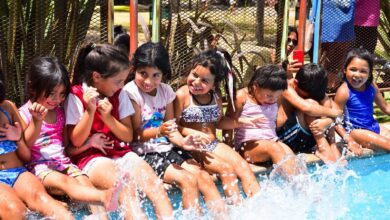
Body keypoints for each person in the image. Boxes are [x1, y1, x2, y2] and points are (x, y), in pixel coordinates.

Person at [65, 42, 173, 219]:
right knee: (125, 187)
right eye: (118, 81)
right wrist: (90, 111)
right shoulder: (76, 95)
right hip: (92, 158)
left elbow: (128, 135)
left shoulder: (119, 94)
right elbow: (76, 141)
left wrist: (108, 118)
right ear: (97, 77)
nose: (122, 85)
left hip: (121, 153)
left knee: (155, 187)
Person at [124, 42, 226, 214]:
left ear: (163, 74)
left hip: (166, 148)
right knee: (187, 180)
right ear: (133, 69)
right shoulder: (131, 93)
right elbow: (135, 136)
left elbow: (171, 128)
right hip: (144, 154)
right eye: (143, 74)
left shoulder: (165, 91)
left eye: (156, 75)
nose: (149, 81)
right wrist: (159, 131)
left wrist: (183, 142)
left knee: (203, 177)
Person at [19, 56, 121, 217]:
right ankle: (104, 195)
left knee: (86, 184)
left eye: (61, 94)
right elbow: (24, 150)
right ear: (33, 88)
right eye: (52, 94)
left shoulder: (59, 113)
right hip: (39, 168)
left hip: (63, 164)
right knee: (68, 183)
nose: (57, 99)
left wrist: (87, 144)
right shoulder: (24, 114)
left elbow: (66, 149)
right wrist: (36, 121)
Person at [175, 49, 260, 204]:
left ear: (214, 85)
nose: (196, 82)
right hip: (192, 146)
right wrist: (190, 132)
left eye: (205, 81)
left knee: (242, 165)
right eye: (194, 75)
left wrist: (239, 122)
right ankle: (235, 210)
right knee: (225, 169)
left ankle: (257, 208)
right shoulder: (182, 95)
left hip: (213, 144)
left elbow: (219, 122)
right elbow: (173, 126)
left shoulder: (215, 97)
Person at [0, 74, 73, 219]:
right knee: (15, 210)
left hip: (17, 172)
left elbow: (26, 154)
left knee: (43, 199)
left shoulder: (7, 107)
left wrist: (19, 137)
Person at [227, 64, 298, 175]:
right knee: (275, 148)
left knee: (291, 156)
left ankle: (302, 188)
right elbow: (227, 124)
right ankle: (295, 187)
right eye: (269, 96)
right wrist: (229, 151)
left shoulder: (273, 99)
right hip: (247, 146)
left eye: (276, 96)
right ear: (255, 86)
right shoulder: (241, 97)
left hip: (271, 141)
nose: (273, 100)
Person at [276, 63, 343, 163]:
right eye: (305, 95)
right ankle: (323, 147)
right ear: (295, 83)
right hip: (283, 137)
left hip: (303, 139)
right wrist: (333, 114)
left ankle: (331, 144)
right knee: (312, 103)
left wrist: (328, 121)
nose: (308, 97)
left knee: (325, 102)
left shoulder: (313, 88)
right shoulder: (285, 87)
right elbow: (307, 108)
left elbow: (337, 110)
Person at [334, 48, 390, 153]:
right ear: (345, 69)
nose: (357, 75)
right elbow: (335, 120)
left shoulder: (371, 85)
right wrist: (349, 140)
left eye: (363, 71)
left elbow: (386, 107)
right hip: (355, 132)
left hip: (373, 126)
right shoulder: (344, 91)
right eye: (353, 69)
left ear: (369, 74)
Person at [320, 0, 356, 91]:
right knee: (327, 54)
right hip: (329, 18)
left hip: (346, 20)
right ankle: (322, 83)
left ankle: (332, 86)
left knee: (340, 56)